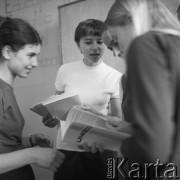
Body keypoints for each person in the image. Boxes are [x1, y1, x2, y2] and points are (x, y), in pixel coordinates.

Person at [102, 0, 180, 178]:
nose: (118, 49)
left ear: (131, 20)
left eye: (116, 39)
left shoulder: (146, 45)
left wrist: (121, 150)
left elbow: (154, 150)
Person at [42, 19, 122, 180]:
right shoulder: (65, 71)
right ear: (78, 45)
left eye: (100, 41)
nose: (95, 47)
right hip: (67, 149)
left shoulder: (114, 75)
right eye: (88, 42)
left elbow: (118, 120)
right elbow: (56, 106)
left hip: (101, 149)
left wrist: (98, 116)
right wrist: (52, 118)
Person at [0, 16, 65, 180]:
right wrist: (33, 155)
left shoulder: (6, 89)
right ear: (7, 52)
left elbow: (4, 145)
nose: (35, 63)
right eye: (30, 55)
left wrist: (31, 140)